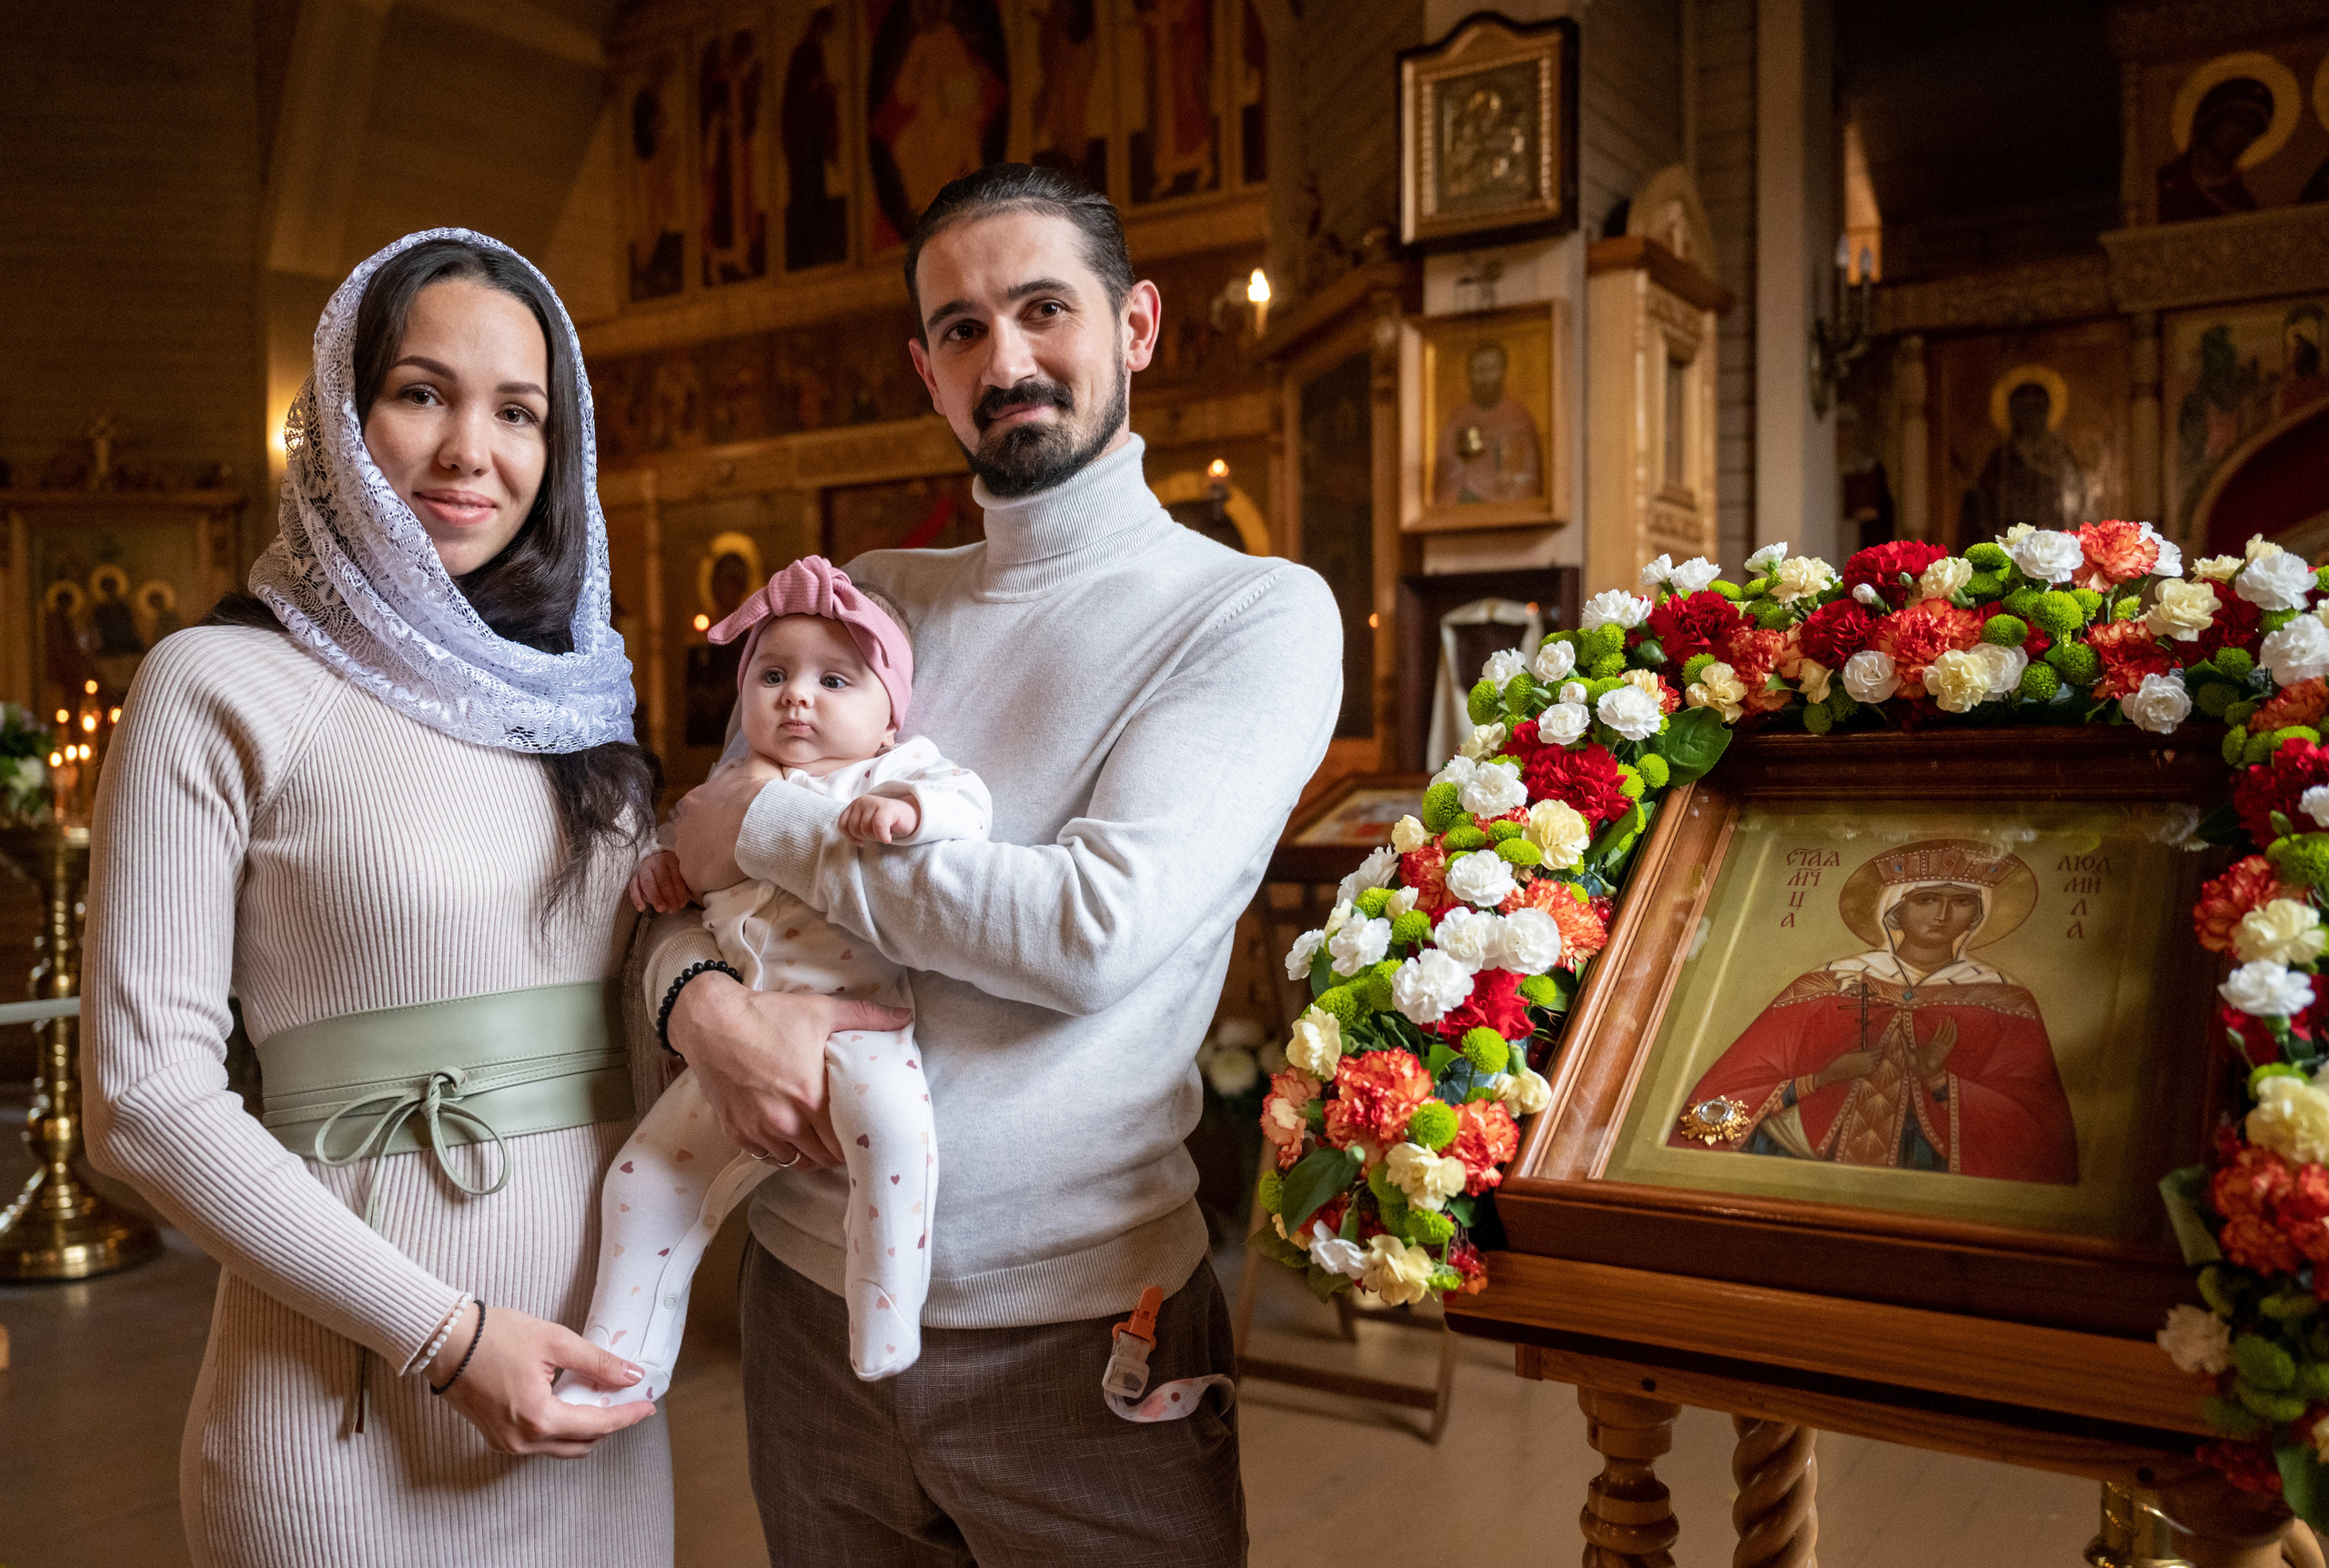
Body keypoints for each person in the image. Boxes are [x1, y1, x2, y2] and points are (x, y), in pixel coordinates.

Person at [653, 163, 1344, 1564]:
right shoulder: (861, 608)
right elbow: (691, 882)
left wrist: (773, 822)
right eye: (962, 329)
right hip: (809, 1306)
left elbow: (1091, 929)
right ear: (925, 369)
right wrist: (700, 1009)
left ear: (1137, 326)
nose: (1007, 358)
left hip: (1080, 1331)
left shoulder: (1250, 614)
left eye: (1044, 310)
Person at [81, 230, 730, 1567]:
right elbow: (142, 1104)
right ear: (337, 411)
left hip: (599, 1402)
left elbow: (645, 946)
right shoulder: (215, 685)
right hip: (348, 1422)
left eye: (518, 411)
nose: (468, 452)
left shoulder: (578, 702)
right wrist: (446, 1335)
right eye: (420, 393)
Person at [560, 555, 984, 1400]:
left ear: (889, 721)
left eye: (835, 680)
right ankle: (622, 1361)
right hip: (745, 1033)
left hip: (861, 1027)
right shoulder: (721, 791)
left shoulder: (888, 775)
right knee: (646, 1179)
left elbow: (967, 803)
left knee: (896, 1141)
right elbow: (683, 877)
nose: (799, 696)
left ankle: (887, 1312)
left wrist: (907, 813)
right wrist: (661, 874)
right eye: (773, 675)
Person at [1670, 839, 2078, 1184]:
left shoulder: (2004, 1000)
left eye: (1962, 902)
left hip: (1929, 1176)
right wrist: (1823, 1078)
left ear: (1978, 915)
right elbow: (1742, 1080)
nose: (1942, 914)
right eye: (1926, 899)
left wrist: (1937, 1078)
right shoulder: (1830, 983)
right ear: (1894, 910)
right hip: (1798, 1159)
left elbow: (2036, 1126)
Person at [1432, 339, 1540, 505]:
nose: (1485, 377)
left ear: (1503, 370)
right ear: (1470, 374)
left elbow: (1530, 479)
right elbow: (1445, 481)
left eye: (1491, 369)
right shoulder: (1458, 419)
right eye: (1479, 370)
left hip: (1509, 507)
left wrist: (1510, 488)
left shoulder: (1518, 418)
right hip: (1467, 506)